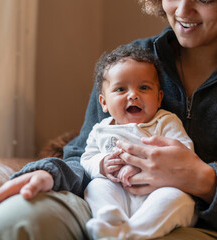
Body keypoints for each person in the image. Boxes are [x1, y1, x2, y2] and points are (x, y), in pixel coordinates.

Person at [0, 0, 217, 239]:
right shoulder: (131, 61)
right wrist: (50, 174)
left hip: (206, 222)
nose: (183, 10)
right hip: (104, 202)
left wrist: (204, 180)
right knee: (16, 221)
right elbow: (83, 153)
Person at [81, 44, 197, 239]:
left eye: (144, 87)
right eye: (120, 89)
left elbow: (185, 153)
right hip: (118, 194)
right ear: (103, 102)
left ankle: (130, 234)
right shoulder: (101, 130)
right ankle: (110, 221)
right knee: (96, 186)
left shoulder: (164, 121)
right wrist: (101, 164)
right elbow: (86, 158)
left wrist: (144, 166)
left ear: (159, 98)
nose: (133, 95)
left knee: (177, 199)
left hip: (157, 193)